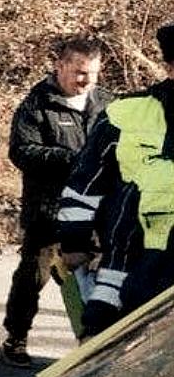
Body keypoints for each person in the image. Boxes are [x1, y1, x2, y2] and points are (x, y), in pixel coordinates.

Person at [57, 23, 174, 340]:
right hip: (128, 267)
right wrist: (74, 243)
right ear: (169, 66)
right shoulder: (126, 114)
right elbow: (84, 185)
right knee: (108, 350)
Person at [0, 34, 107, 367]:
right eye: (78, 72)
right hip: (49, 209)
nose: (85, 80)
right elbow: (21, 151)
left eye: (92, 73)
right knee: (34, 276)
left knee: (93, 281)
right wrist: (71, 158)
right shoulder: (37, 104)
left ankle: (92, 343)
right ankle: (15, 338)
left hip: (95, 210)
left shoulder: (108, 103)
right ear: (59, 66)